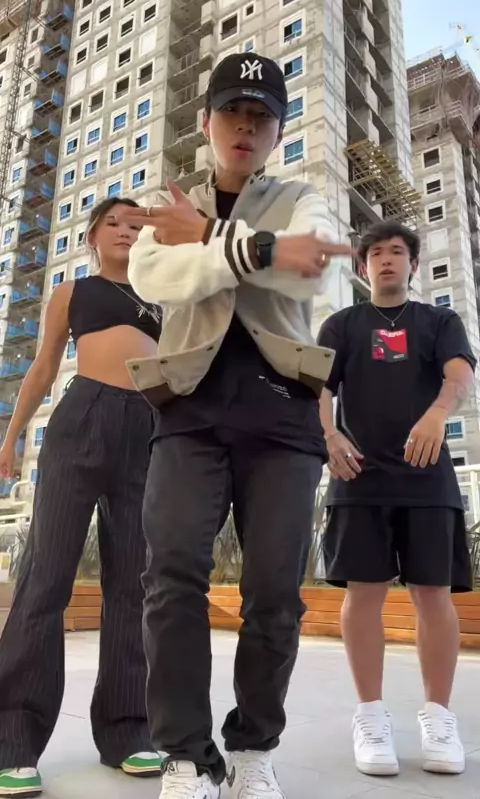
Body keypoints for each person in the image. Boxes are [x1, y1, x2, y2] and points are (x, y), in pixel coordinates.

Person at [122, 51, 353, 799]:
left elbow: (317, 270)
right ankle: (188, 756)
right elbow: (154, 277)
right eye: (232, 112)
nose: (245, 127)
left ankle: (253, 745)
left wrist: (211, 241)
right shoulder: (170, 203)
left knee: (276, 589)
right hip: (188, 410)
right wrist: (257, 249)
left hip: (282, 412)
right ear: (206, 122)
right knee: (172, 575)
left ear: (280, 130)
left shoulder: (301, 198)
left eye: (261, 116)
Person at [0, 198, 164, 797]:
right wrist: (12, 437)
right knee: (46, 577)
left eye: (136, 225)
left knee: (134, 583)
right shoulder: (73, 293)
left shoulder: (163, 299)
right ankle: (13, 740)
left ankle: (127, 731)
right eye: (113, 223)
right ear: (92, 236)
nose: (125, 231)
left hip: (148, 428)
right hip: (83, 417)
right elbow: (44, 366)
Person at [317, 219, 475, 778]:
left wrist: (437, 414)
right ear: (363, 268)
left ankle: (439, 719)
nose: (386, 259)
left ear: (412, 264)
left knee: (434, 595)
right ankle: (371, 717)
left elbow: (459, 374)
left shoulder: (440, 321)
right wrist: (329, 436)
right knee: (364, 595)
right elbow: (318, 388)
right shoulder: (342, 325)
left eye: (397, 252)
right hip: (359, 476)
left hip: (428, 477)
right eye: (376, 253)